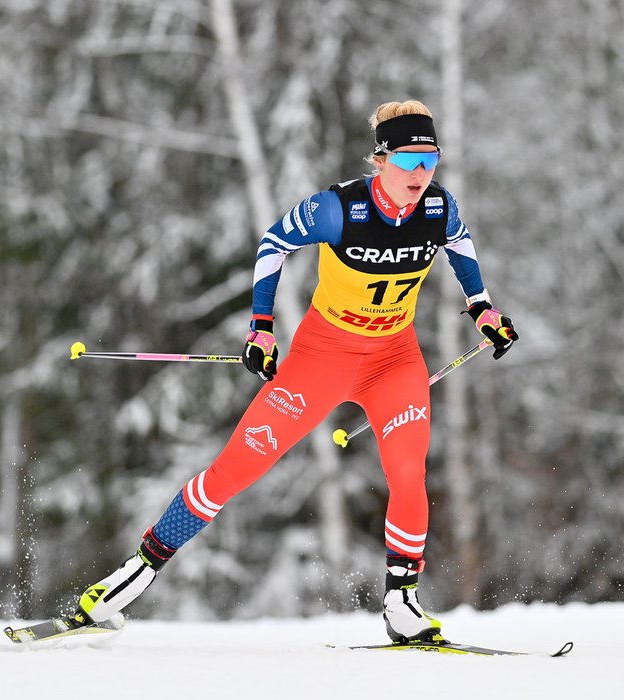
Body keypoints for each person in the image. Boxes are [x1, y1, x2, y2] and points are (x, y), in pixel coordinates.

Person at [74, 100, 518, 643]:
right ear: (381, 161)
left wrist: (482, 307)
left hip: (393, 361)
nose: (420, 175)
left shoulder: (438, 208)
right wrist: (260, 327)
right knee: (234, 470)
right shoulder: (339, 209)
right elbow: (273, 243)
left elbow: (461, 243)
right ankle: (127, 580)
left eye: (431, 161)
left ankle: (402, 605)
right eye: (408, 162)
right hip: (322, 359)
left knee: (408, 476)